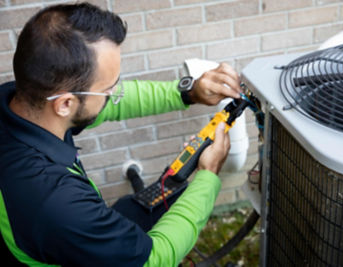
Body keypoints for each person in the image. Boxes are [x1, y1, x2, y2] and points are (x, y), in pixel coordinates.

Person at [0, 2, 242, 266]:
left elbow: (107, 105)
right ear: (65, 104)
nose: (116, 94)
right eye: (108, 89)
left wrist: (186, 92)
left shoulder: (25, 100)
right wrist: (208, 175)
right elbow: (154, 259)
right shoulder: (59, 205)